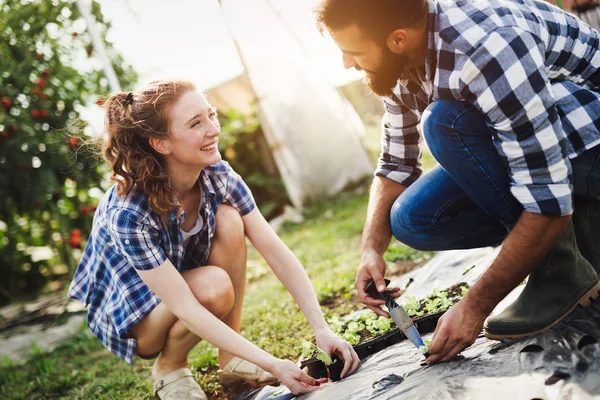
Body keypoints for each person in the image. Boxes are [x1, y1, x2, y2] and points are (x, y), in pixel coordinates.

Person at [316, 0, 600, 364]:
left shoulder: (488, 48)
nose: (346, 64)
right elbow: (395, 164)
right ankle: (580, 236)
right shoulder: (402, 58)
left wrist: (475, 305)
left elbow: (547, 198)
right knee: (411, 218)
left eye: (352, 52)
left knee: (445, 122)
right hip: (552, 149)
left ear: (398, 39)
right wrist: (371, 248)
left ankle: (562, 272)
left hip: (590, 135)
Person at [67, 80, 360, 399]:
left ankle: (231, 359)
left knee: (230, 220)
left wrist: (321, 328)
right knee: (214, 286)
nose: (213, 129)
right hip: (140, 320)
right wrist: (275, 365)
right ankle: (170, 369)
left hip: (184, 285)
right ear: (161, 143)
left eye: (210, 115)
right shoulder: (128, 212)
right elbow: (185, 306)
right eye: (196, 123)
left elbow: (275, 250)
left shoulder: (217, 174)